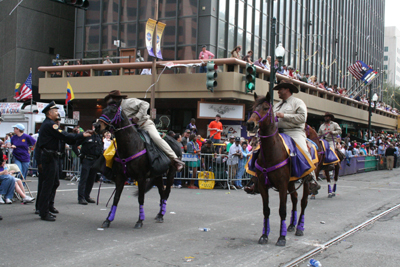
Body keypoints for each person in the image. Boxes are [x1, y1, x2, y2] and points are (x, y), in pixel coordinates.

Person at [37, 101, 92, 222]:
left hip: (53, 157)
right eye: (55, 111)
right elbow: (65, 136)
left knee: (54, 182)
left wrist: (77, 135)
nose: (58, 113)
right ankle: (43, 211)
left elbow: (65, 137)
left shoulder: (49, 124)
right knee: (48, 185)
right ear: (49, 113)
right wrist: (82, 135)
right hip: (49, 158)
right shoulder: (50, 125)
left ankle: (48, 206)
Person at [104, 90, 184, 171]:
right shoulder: (115, 110)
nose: (110, 101)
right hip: (131, 129)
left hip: (144, 125)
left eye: (111, 99)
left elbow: (145, 104)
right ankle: (109, 167)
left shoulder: (129, 102)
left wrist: (137, 117)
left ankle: (175, 159)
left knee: (156, 138)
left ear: (116, 99)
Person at [273, 79, 319, 192]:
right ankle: (256, 179)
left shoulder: (298, 102)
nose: (278, 91)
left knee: (303, 149)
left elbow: (302, 118)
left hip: (294, 132)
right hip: (277, 133)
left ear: (287, 89)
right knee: (258, 149)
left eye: (280, 89)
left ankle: (312, 178)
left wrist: (284, 115)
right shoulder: (277, 105)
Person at [76, 121, 103, 205]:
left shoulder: (99, 136)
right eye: (95, 126)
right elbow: (75, 144)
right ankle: (81, 197)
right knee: (84, 179)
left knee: (91, 179)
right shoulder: (87, 135)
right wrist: (79, 154)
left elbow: (100, 148)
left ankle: (87, 196)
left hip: (95, 160)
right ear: (92, 126)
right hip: (87, 159)